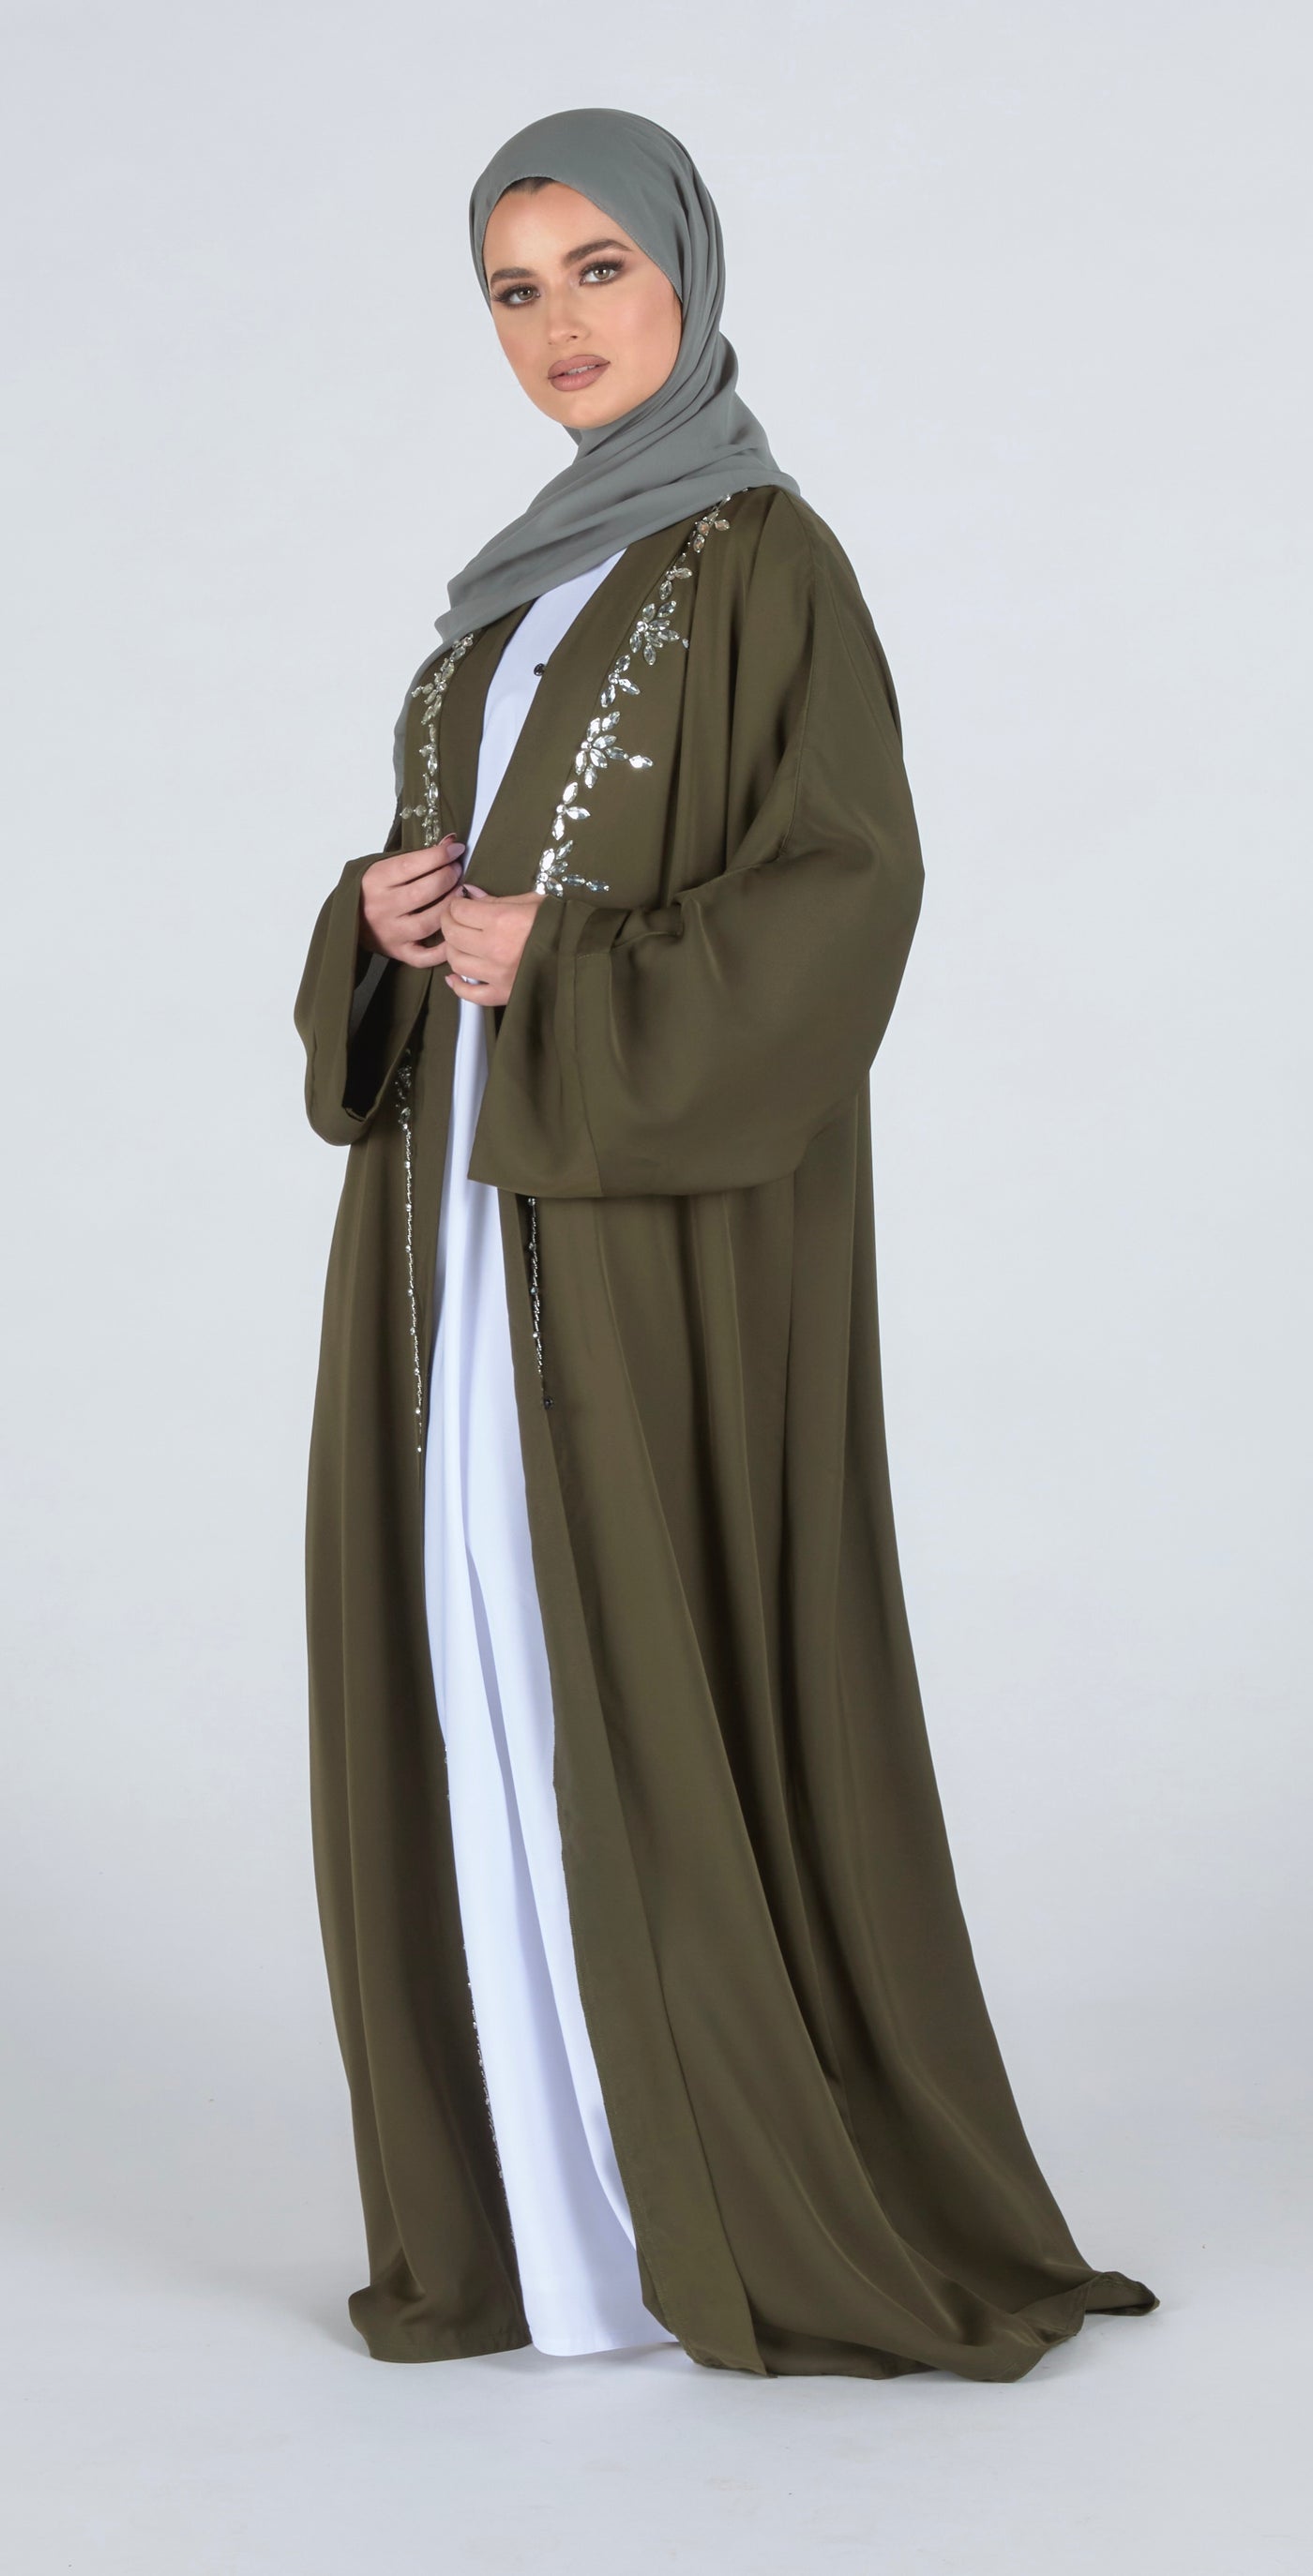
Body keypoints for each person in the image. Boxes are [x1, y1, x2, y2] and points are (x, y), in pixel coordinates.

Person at [293, 104, 1157, 2380]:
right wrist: (382, 921)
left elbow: (845, 892)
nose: (557, 325)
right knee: (484, 1648)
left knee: (634, 1653)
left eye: (597, 270)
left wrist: (561, 964)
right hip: (453, 1236)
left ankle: (715, 2206)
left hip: (641, 1243)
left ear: (682, 270)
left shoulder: (769, 562)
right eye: (512, 290)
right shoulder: (500, 598)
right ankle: (542, 2212)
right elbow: (453, 886)